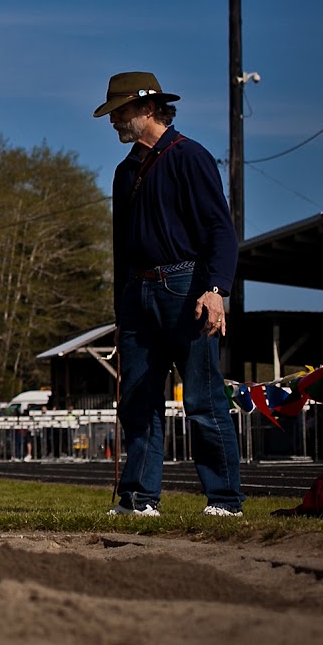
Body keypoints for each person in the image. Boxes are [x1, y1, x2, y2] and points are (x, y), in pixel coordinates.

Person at [96, 71, 243, 518]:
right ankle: (139, 499)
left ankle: (224, 501)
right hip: (137, 293)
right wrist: (121, 310)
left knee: (202, 398)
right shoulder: (124, 172)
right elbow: (121, 248)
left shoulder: (190, 156)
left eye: (120, 111)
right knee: (137, 401)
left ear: (148, 108)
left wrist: (216, 290)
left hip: (186, 288)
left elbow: (220, 229)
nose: (114, 121)